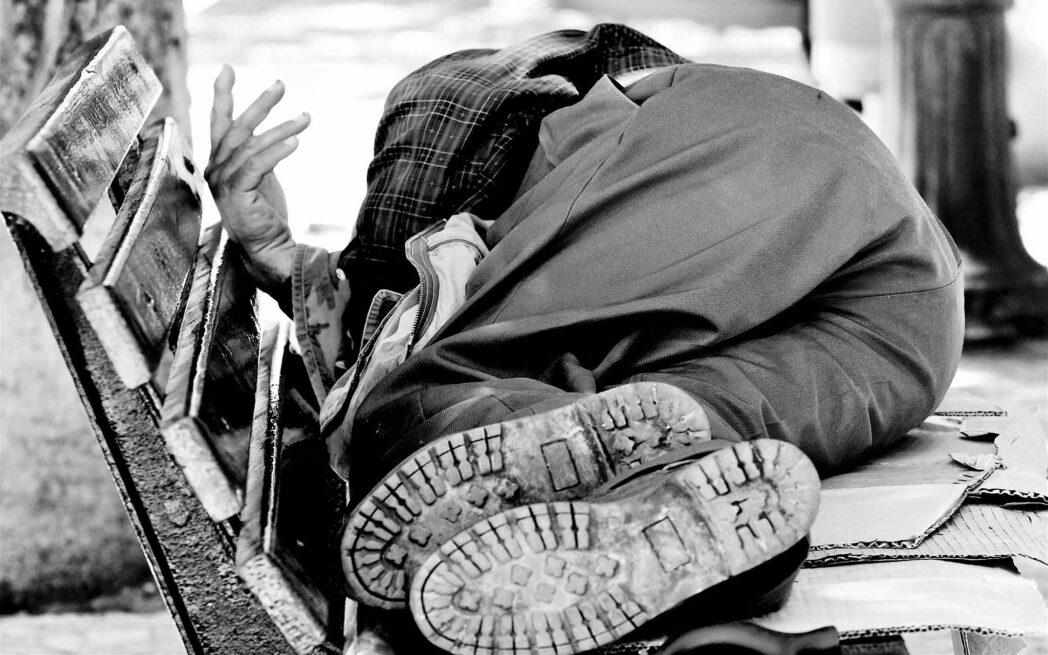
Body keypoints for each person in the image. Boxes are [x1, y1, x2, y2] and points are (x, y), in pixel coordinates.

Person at [205, 25, 963, 655]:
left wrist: (302, 275)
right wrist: (287, 264)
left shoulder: (471, 112)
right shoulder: (619, 124)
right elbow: (391, 303)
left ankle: (713, 560)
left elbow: (405, 322)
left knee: (416, 410)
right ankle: (717, 572)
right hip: (910, 323)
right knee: (684, 432)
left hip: (770, 178)